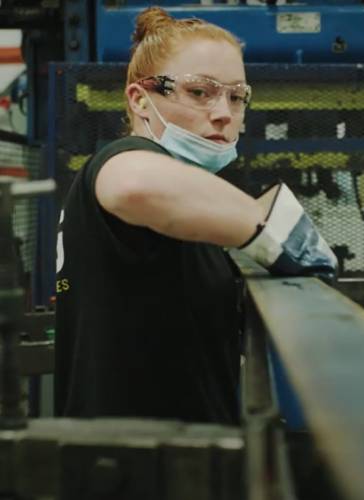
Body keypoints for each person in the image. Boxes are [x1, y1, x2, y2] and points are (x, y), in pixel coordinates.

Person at [54, 6, 337, 423]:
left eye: (236, 96)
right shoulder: (123, 158)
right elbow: (134, 184)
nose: (224, 112)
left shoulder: (188, 212)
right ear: (140, 99)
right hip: (130, 468)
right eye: (200, 92)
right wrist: (266, 228)